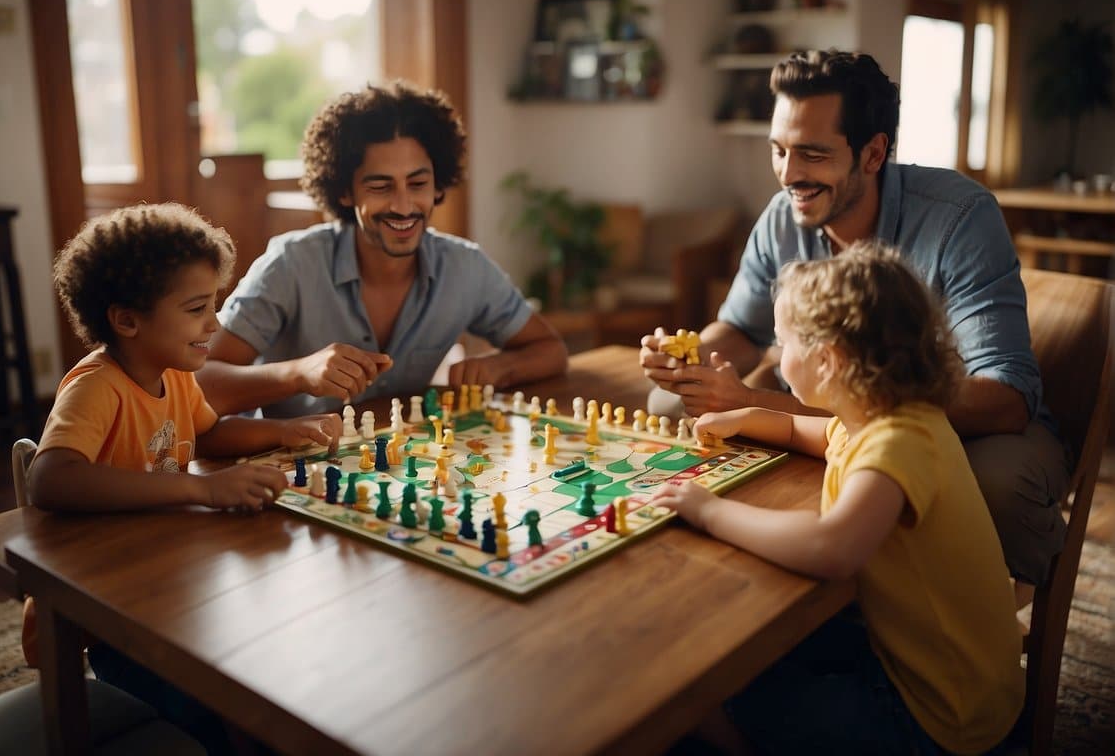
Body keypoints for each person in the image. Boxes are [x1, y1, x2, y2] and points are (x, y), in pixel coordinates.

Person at [640, 50, 1068, 588]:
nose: (789, 175)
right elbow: (741, 330)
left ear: (873, 153)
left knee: (997, 483)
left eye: (812, 155)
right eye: (779, 151)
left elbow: (1005, 398)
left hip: (960, 423)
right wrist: (687, 356)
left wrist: (762, 402)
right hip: (833, 407)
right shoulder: (782, 216)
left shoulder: (960, 216)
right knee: (672, 400)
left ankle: (972, 594)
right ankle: (795, 570)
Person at [654, 243, 1024, 755]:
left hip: (941, 715)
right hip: (926, 666)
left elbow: (833, 548)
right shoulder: (882, 417)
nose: (778, 359)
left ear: (827, 361)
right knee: (759, 662)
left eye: (783, 345)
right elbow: (798, 431)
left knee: (707, 702)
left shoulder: (900, 441)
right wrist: (742, 418)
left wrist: (710, 511)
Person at [24, 202, 340, 755]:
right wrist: (201, 488)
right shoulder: (97, 387)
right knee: (213, 717)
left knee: (260, 678)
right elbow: (50, 477)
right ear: (127, 320)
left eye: (213, 305)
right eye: (197, 308)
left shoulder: (175, 374)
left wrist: (286, 430)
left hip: (163, 583)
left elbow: (210, 434)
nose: (214, 325)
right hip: (109, 606)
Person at [198, 81, 568, 418]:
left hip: (406, 467)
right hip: (288, 468)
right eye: (381, 186)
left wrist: (497, 368)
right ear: (345, 191)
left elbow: (550, 350)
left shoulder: (464, 266)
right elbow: (199, 384)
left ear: (438, 185)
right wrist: (297, 374)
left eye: (417, 183)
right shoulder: (291, 264)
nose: (404, 206)